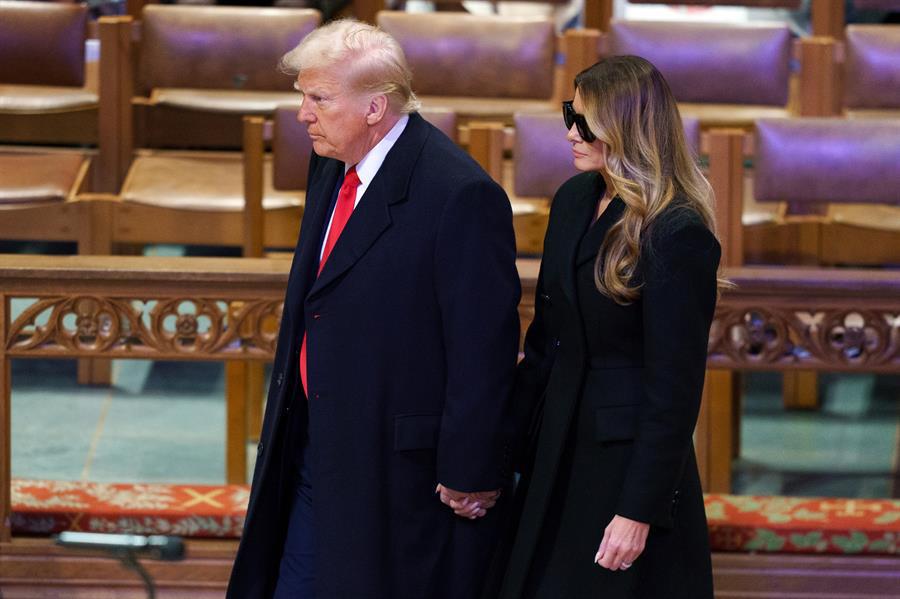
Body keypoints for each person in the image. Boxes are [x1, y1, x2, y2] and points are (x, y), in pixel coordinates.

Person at [226, 19, 521, 599]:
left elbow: (480, 348)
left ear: (374, 107)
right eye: (301, 97)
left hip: (395, 468)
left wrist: (470, 468)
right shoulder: (330, 162)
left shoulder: (459, 194)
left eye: (319, 99)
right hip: (313, 439)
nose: (303, 115)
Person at [492, 55, 722, 599]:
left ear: (626, 127)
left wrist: (638, 511)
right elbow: (544, 343)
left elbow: (674, 390)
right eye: (570, 112)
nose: (571, 131)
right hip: (556, 450)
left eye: (587, 121)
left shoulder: (675, 230)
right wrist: (497, 460)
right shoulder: (574, 199)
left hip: (621, 466)